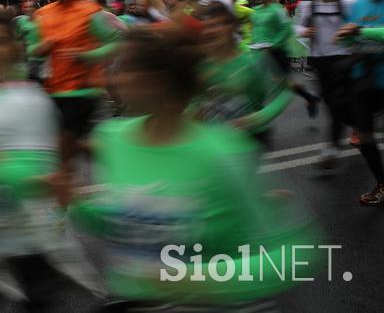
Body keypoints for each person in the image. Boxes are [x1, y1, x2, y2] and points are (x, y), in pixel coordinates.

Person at [57, 26, 320, 310]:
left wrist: (194, 279)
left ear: (158, 80)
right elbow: (127, 223)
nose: (112, 75)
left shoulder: (221, 151)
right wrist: (76, 202)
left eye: (123, 66)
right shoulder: (114, 137)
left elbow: (295, 256)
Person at [0, 19, 104, 311]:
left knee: (34, 299)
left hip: (29, 235)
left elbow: (35, 176)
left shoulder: (31, 100)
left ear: (15, 48)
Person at [33, 0, 117, 168]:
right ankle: (105, 159)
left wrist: (86, 55)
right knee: (68, 145)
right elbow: (32, 49)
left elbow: (115, 41)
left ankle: (67, 182)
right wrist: (42, 48)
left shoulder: (89, 10)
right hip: (53, 90)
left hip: (83, 89)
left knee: (64, 144)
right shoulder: (43, 13)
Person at [193, 2, 292, 145]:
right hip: (212, 142)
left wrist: (257, 118)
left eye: (217, 25)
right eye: (207, 26)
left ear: (231, 27)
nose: (211, 31)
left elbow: (283, 93)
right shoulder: (200, 65)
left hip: (249, 140)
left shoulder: (253, 58)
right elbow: (194, 103)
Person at [293, 0, 357, 167]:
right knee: (331, 103)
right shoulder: (309, 7)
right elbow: (295, 28)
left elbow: (361, 21)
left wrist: (352, 28)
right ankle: (358, 123)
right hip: (320, 59)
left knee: (336, 104)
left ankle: (332, 145)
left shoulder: (346, 4)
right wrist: (305, 31)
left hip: (342, 59)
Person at [334, 0, 384, 205]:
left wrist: (360, 31)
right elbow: (351, 41)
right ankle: (382, 183)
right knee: (364, 135)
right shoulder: (359, 4)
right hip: (364, 77)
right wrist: (345, 37)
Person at [250, 0, 321, 117]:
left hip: (276, 52)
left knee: (285, 82)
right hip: (259, 51)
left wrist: (274, 44)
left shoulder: (277, 10)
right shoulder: (256, 10)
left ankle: (309, 98)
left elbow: (287, 29)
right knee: (257, 80)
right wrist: (253, 43)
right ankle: (256, 112)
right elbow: (256, 29)